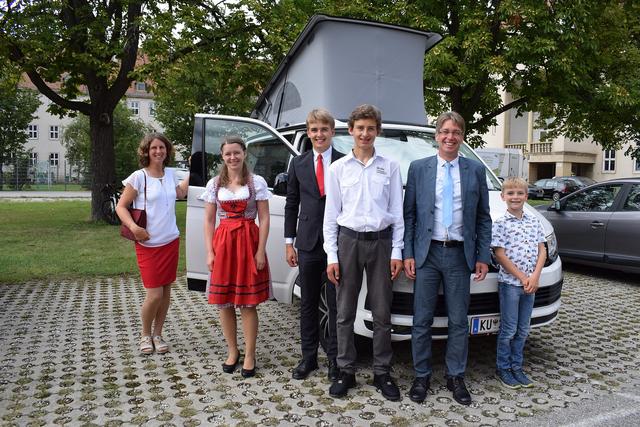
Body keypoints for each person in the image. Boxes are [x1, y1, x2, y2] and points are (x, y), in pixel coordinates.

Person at [403, 111, 492, 405]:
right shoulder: (419, 168)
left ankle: (456, 376)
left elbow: (483, 219)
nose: (450, 137)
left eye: (455, 132)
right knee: (422, 320)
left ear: (462, 136)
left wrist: (481, 255)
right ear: (436, 135)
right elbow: (410, 215)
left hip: (458, 255)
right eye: (445, 131)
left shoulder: (475, 171)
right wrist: (409, 253)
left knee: (457, 321)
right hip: (427, 253)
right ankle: (421, 376)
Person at [323, 104, 404, 401]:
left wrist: (397, 251)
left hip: (382, 243)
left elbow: (397, 212)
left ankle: (382, 372)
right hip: (349, 242)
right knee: (344, 311)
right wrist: (332, 256)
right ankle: (346, 370)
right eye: (360, 128)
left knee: (383, 312)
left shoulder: (391, 166)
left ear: (377, 131)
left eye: (371, 128)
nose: (365, 133)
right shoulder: (338, 169)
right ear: (351, 131)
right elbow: (330, 216)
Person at [201, 136, 271, 378]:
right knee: (225, 303)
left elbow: (264, 218)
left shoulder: (256, 182)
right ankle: (233, 350)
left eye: (236, 153)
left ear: (244, 154)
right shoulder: (214, 184)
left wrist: (260, 250)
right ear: (222, 156)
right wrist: (210, 252)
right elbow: (209, 220)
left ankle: (250, 353)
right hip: (224, 244)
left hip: (248, 242)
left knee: (248, 304)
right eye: (228, 154)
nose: (232, 157)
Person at [116, 133, 189, 355]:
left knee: (166, 292)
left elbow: (179, 193)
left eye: (162, 148)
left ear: (167, 151)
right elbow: (121, 206)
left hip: (170, 241)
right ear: (146, 151)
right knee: (154, 294)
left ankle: (158, 334)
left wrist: (193, 172)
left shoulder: (170, 174)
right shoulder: (138, 177)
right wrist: (134, 228)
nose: (158, 151)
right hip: (148, 244)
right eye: (154, 148)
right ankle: (145, 335)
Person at [285, 109, 343, 381]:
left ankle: (335, 359)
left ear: (332, 131)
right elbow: (291, 203)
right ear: (308, 133)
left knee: (335, 304)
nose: (319, 134)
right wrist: (289, 242)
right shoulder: (298, 163)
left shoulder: (344, 163)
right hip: (307, 242)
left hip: (337, 244)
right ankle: (309, 358)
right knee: (307, 302)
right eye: (314, 130)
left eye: (324, 129)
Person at [491, 176, 546, 389]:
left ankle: (517, 366)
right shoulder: (501, 223)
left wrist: (534, 277)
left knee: (523, 329)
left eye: (520, 193)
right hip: (511, 284)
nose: (515, 197)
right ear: (503, 196)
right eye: (511, 193)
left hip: (530, 284)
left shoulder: (533, 220)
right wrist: (523, 277)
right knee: (509, 329)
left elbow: (542, 249)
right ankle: (503, 367)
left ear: (526, 195)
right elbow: (500, 254)